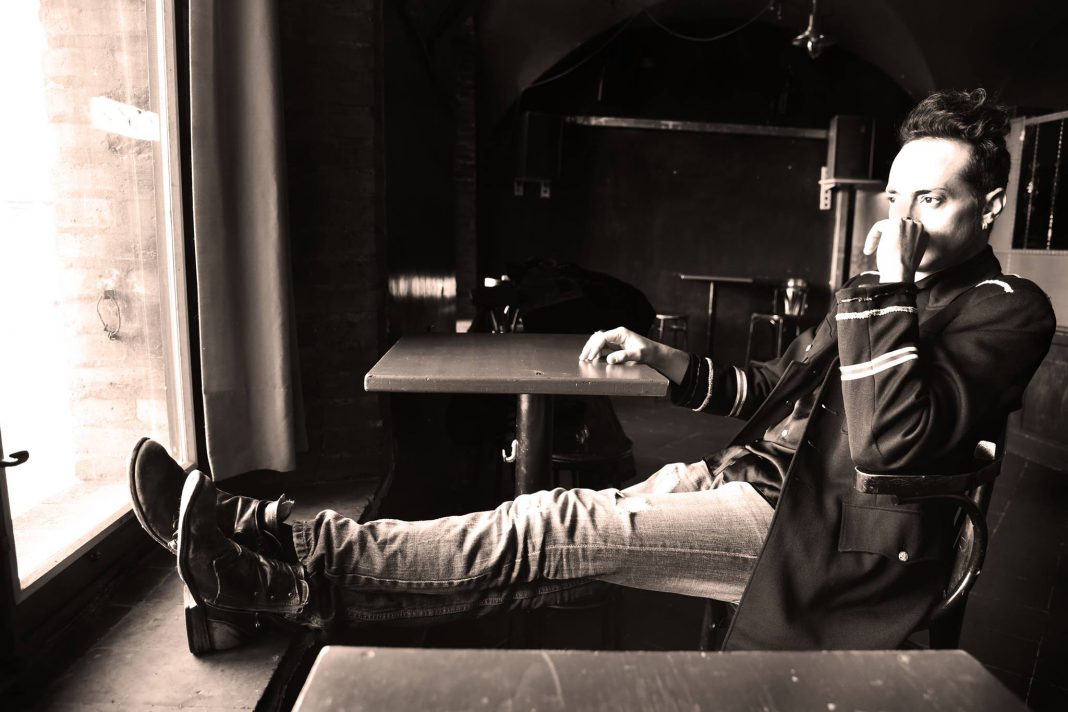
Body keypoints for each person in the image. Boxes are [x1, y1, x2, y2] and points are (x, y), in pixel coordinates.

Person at [130, 89, 1055, 655]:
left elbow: (891, 441)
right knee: (539, 550)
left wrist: (883, 288)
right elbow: (773, 392)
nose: (902, 221)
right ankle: (272, 586)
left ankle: (280, 543)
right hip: (752, 483)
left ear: (990, 207)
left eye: (932, 199)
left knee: (550, 527)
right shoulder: (875, 294)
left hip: (821, 539)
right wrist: (666, 359)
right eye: (895, 197)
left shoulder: (1008, 308)